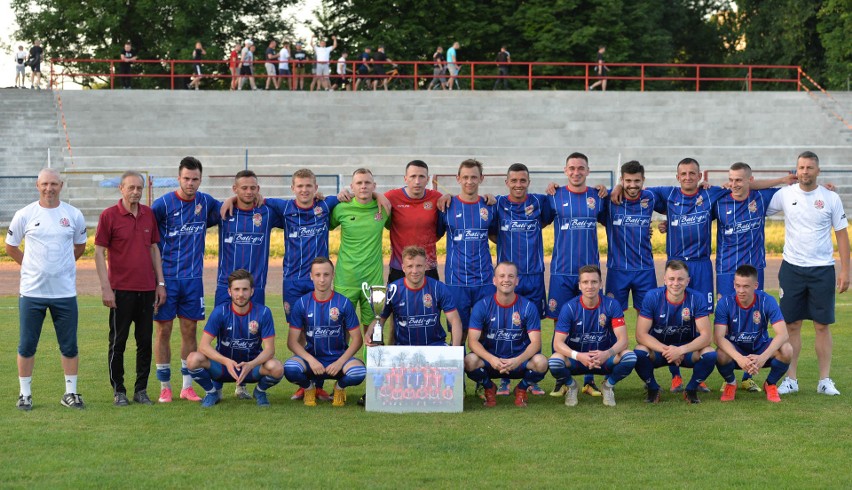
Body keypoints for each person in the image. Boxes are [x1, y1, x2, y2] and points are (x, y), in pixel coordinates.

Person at [767, 151, 849, 396]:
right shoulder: (785, 195)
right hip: (792, 268)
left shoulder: (830, 197)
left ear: (818, 170)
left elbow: (842, 234)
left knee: (822, 326)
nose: (805, 171)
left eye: (810, 167)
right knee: (792, 324)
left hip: (822, 269)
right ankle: (791, 379)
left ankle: (824, 379)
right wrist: (780, 180)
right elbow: (754, 201)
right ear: (796, 170)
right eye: (801, 167)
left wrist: (846, 270)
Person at [6, 168, 87, 410]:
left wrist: (61, 267)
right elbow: (10, 246)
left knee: (69, 345)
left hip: (64, 293)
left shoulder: (73, 214)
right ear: (37, 186)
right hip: (32, 293)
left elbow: (80, 245)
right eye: (44, 184)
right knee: (27, 345)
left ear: (61, 185)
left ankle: (70, 393)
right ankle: (25, 394)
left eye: (53, 184)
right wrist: (30, 266)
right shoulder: (25, 214)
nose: (49, 188)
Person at [712, 162, 793, 392]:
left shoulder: (760, 198)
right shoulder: (720, 200)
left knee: (756, 320)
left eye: (740, 179)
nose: (734, 184)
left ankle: (749, 375)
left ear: (750, 180)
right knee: (726, 325)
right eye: (731, 179)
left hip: (754, 268)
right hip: (727, 270)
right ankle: (732, 377)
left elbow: (799, 191)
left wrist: (823, 190)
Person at [150, 157, 222, 403]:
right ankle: (164, 386)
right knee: (163, 330)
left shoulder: (206, 202)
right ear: (178, 178)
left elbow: (226, 209)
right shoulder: (163, 205)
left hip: (193, 279)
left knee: (190, 330)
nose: (190, 183)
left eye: (195, 179)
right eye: (186, 179)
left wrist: (234, 198)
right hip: (166, 278)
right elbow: (148, 236)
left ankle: (187, 386)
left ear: (200, 179)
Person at [94, 171, 167, 406]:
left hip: (146, 290)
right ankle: (119, 391)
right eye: (131, 187)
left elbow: (155, 249)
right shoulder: (109, 216)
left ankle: (141, 390)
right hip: (120, 291)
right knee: (119, 342)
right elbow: (98, 252)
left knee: (145, 341)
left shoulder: (148, 215)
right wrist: (106, 288)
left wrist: (160, 283)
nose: (135, 192)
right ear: (121, 189)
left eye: (139, 188)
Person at [546, 152, 607, 397]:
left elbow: (618, 211)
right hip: (561, 271)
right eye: (571, 168)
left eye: (581, 168)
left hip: (589, 273)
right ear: (565, 170)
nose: (576, 172)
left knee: (593, 325)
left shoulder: (598, 197)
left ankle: (590, 379)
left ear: (588, 171)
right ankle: (561, 379)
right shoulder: (554, 196)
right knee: (560, 325)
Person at [492, 163, 553, 396]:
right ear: (506, 182)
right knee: (506, 326)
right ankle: (505, 378)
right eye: (514, 181)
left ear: (528, 182)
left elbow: (546, 220)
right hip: (508, 278)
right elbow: (490, 231)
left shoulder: (539, 202)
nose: (518, 184)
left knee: (531, 327)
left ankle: (531, 378)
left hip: (534, 276)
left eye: (523, 180)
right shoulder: (497, 203)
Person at [187, 269, 284, 408]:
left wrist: (251, 364)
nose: (240, 294)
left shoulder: (263, 312)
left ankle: (260, 392)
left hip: (251, 369)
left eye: (245, 289)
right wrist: (226, 361)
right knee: (192, 359)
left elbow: (270, 350)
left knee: (277, 367)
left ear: (251, 291)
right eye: (236, 289)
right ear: (229, 292)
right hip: (223, 368)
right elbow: (203, 346)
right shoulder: (220, 312)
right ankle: (211, 392)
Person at [548, 265, 637, 407]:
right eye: (585, 282)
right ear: (579, 285)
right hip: (577, 360)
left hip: (604, 359)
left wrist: (607, 354)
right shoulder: (569, 307)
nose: (590, 286)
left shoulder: (612, 305)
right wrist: (579, 356)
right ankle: (572, 386)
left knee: (630, 356)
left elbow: (623, 340)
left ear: (601, 284)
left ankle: (608, 386)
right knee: (554, 361)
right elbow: (557, 343)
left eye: (594, 282)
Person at [464, 262, 549, 408]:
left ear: (517, 281)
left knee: (541, 363)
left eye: (511, 276)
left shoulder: (528, 306)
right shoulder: (482, 305)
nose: (506, 280)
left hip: (518, 361)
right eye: (501, 276)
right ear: (494, 280)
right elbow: (472, 341)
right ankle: (489, 387)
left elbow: (536, 343)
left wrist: (517, 360)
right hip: (491, 361)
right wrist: (492, 359)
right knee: (469, 361)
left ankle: (521, 389)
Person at [284, 258, 367, 407]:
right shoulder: (302, 303)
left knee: (359, 372)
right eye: (318, 275)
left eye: (326, 275)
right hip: (312, 360)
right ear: (311, 276)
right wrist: (311, 360)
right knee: (290, 368)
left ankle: (339, 388)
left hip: (339, 360)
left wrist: (340, 361)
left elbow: (357, 339)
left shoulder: (344, 303)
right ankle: (309, 388)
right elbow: (292, 342)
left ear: (333, 275)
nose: (322, 280)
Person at [633, 260, 716, 404]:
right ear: (665, 280)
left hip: (687, 351)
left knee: (709, 353)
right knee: (639, 351)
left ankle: (691, 389)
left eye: (680, 279)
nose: (675, 283)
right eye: (671, 279)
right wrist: (668, 350)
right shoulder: (652, 297)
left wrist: (680, 350)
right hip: (660, 350)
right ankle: (653, 388)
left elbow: (706, 336)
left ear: (688, 281)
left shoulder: (697, 298)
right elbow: (641, 334)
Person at [714, 265, 793, 403]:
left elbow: (783, 334)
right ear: (733, 284)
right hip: (736, 350)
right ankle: (731, 383)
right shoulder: (725, 303)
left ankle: (770, 383)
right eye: (737, 285)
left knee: (787, 349)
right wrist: (739, 358)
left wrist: (762, 357)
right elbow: (718, 338)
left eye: (746, 286)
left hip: (760, 348)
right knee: (720, 354)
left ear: (755, 285)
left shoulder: (767, 300)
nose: (741, 290)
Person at [437, 159, 496, 339]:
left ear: (481, 179)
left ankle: (483, 367)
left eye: (473, 177)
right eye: (465, 177)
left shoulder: (490, 206)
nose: (469, 181)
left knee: (486, 333)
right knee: (459, 333)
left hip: (484, 280)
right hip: (456, 280)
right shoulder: (446, 206)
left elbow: (496, 236)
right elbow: (435, 234)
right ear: (458, 179)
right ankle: (457, 367)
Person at [365, 246, 463, 347]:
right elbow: (379, 321)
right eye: (410, 266)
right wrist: (370, 335)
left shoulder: (439, 288)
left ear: (425, 266)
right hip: (403, 348)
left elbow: (455, 321)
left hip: (435, 346)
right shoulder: (392, 290)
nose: (415, 271)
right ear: (403, 268)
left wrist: (454, 350)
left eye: (419, 266)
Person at [330, 169, 389, 330]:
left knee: (374, 330)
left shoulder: (383, 208)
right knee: (341, 328)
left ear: (374, 186)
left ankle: (370, 356)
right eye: (359, 183)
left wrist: (380, 196)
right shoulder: (341, 208)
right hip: (346, 278)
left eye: (367, 182)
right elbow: (325, 226)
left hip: (373, 280)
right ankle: (344, 357)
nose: (363, 186)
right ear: (352, 186)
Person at [214, 170, 282, 308]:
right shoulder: (223, 211)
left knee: (253, 329)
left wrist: (315, 197)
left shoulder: (267, 213)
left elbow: (297, 210)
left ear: (258, 189)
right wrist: (230, 200)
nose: (249, 191)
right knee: (224, 328)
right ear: (235, 189)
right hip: (225, 286)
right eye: (244, 188)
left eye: (253, 188)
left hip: (256, 287)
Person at [384, 160, 443, 284]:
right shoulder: (392, 197)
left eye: (421, 176)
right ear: (405, 178)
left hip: (428, 267)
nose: (417, 181)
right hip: (399, 267)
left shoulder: (437, 198)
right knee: (396, 303)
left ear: (427, 179)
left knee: (429, 303)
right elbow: (366, 197)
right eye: (413, 176)